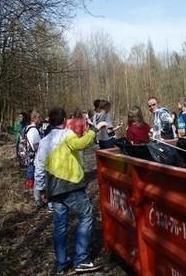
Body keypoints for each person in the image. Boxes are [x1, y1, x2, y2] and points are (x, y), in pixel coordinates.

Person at [34, 107, 107, 274]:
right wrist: (94, 130)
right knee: (86, 215)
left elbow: (38, 166)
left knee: (60, 225)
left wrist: (40, 190)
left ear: (50, 121)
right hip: (71, 185)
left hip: (54, 189)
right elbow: (81, 144)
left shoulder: (45, 141)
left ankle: (61, 264)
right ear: (64, 119)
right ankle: (81, 259)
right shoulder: (67, 134)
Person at [24, 110, 42, 197]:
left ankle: (32, 194)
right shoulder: (34, 130)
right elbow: (35, 146)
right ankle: (36, 197)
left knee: (31, 175)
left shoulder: (27, 128)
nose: (40, 119)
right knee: (35, 177)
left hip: (30, 157)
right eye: (39, 117)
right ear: (33, 118)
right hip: (34, 157)